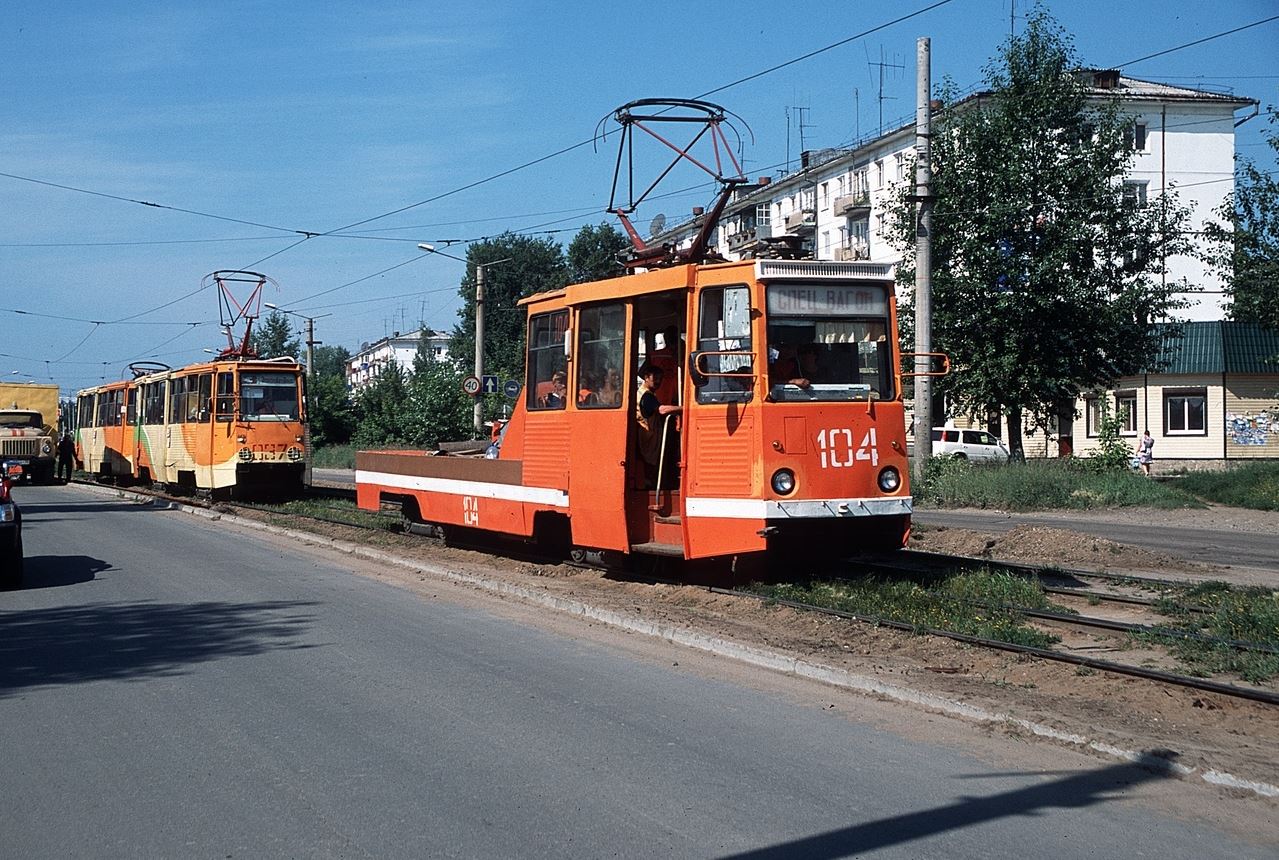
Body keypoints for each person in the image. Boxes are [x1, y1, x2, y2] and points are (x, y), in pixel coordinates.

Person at [635, 361, 681, 486]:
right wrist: (683, 408)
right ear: (646, 377)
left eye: (661, 379)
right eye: (655, 378)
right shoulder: (647, 396)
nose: (658, 382)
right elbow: (661, 410)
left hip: (646, 437)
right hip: (649, 438)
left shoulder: (641, 393)